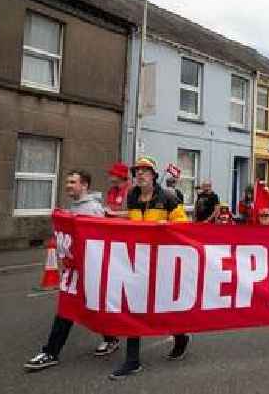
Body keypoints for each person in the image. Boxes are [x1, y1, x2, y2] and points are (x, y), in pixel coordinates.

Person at [24, 170, 119, 372]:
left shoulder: (92, 209)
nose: (68, 185)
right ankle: (108, 339)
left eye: (72, 182)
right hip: (74, 271)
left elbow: (100, 240)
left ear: (84, 185)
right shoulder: (74, 207)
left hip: (88, 271)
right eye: (67, 181)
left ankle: (51, 352)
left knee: (75, 309)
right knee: (72, 308)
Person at [113, 156, 190, 379]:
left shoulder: (168, 196)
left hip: (163, 261)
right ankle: (132, 360)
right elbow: (134, 221)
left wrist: (168, 225)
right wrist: (113, 217)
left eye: (145, 171)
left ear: (154, 175)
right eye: (137, 171)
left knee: (164, 306)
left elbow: (184, 223)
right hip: (139, 260)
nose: (140, 174)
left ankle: (181, 336)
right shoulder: (133, 195)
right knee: (134, 305)